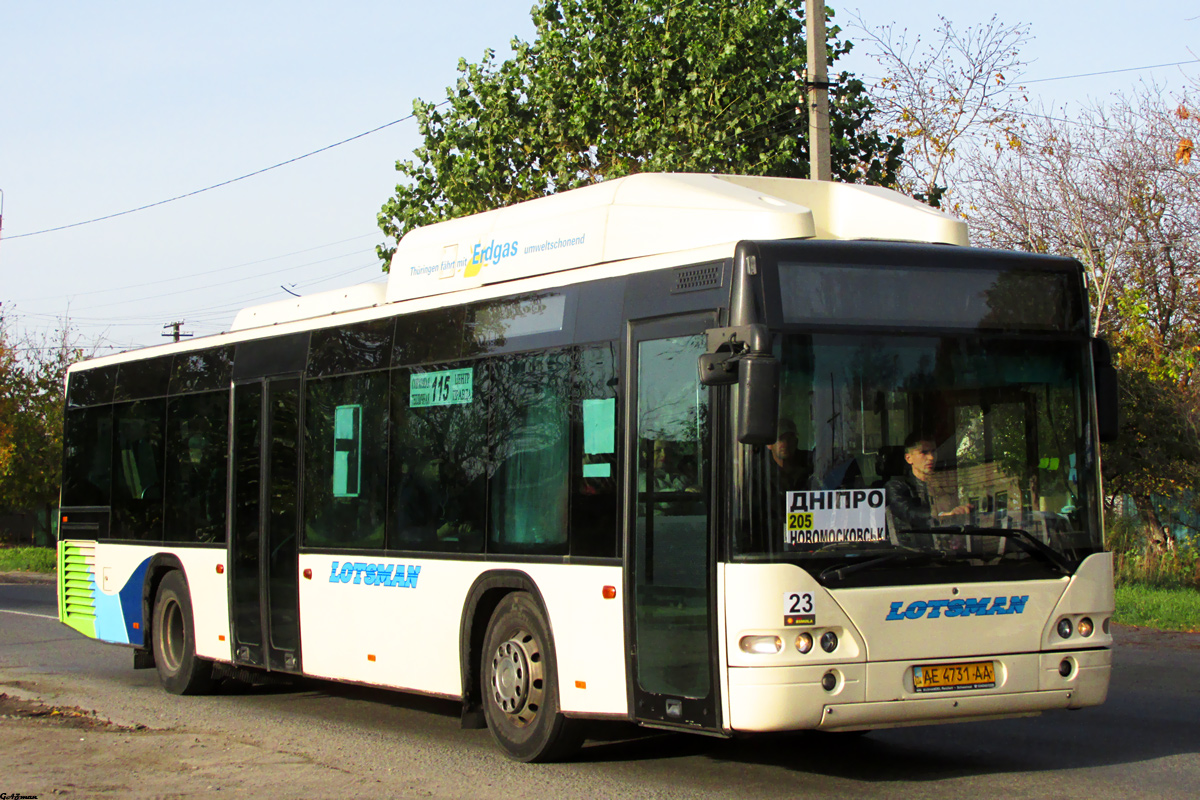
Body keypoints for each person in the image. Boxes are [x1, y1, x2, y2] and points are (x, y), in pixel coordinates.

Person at [886, 433, 971, 530]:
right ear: (908, 458)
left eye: (934, 451)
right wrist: (940, 515)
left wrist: (961, 510)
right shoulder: (896, 486)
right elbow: (908, 512)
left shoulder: (945, 484)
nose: (931, 458)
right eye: (924, 452)